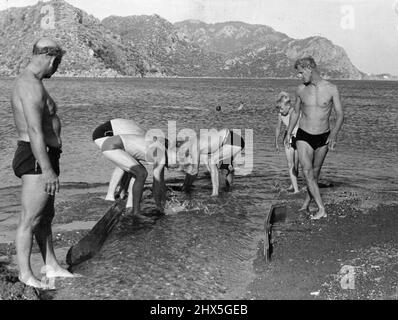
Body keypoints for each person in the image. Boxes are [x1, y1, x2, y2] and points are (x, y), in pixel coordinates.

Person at [11, 38, 75, 288]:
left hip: (45, 155)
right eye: (57, 63)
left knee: (46, 215)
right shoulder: (29, 86)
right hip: (37, 158)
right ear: (50, 58)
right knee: (30, 218)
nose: (56, 69)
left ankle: (51, 265)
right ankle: (25, 275)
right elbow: (35, 131)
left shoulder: (34, 83)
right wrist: (47, 169)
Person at [285, 56, 344, 220]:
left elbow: (340, 115)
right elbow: (296, 112)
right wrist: (289, 132)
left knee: (315, 174)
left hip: (323, 136)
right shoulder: (300, 90)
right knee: (307, 172)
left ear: (309, 68)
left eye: (300, 72)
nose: (299, 76)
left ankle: (307, 202)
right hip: (304, 135)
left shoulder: (332, 89)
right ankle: (321, 209)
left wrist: (334, 134)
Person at [92, 119, 169, 223]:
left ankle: (129, 202)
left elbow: (160, 182)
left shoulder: (151, 143)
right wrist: (160, 206)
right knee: (139, 172)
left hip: (113, 140)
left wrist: (161, 202)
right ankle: (113, 197)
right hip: (105, 135)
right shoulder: (159, 153)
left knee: (137, 170)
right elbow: (157, 184)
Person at [179, 129, 245, 196]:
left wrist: (185, 186)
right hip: (231, 139)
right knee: (223, 167)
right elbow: (210, 169)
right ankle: (228, 189)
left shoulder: (194, 147)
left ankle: (215, 194)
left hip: (232, 141)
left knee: (212, 161)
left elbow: (195, 170)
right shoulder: (199, 145)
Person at [275, 91, 300, 193]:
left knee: (296, 165)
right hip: (287, 139)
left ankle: (293, 185)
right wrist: (276, 141)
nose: (280, 111)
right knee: (291, 165)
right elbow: (278, 127)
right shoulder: (280, 114)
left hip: (298, 138)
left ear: (288, 106)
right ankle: (296, 190)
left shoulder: (295, 112)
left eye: (281, 108)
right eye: (279, 108)